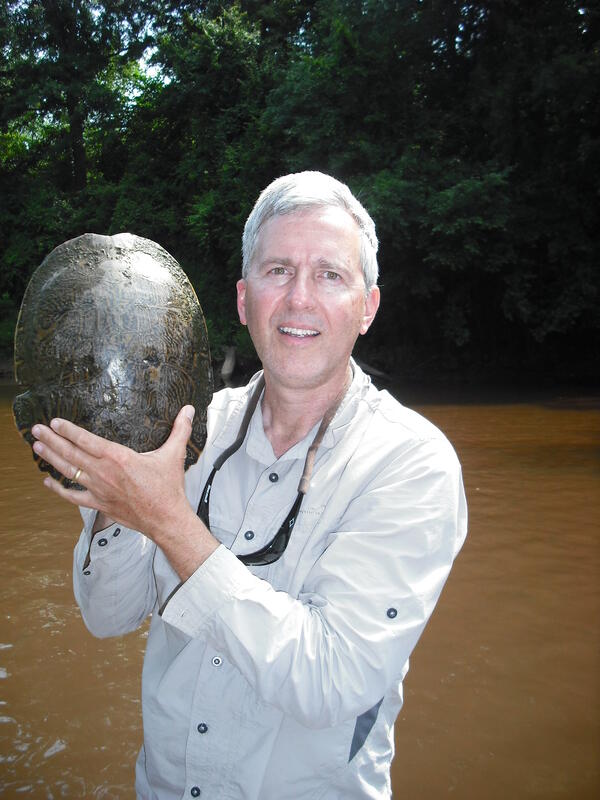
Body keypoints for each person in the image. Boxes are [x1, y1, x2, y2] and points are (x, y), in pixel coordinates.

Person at [31, 171, 467, 799]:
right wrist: (114, 507)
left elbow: (331, 681)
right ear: (243, 300)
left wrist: (166, 518)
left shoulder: (412, 464)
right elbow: (108, 617)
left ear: (368, 307)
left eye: (330, 275)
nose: (298, 299)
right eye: (278, 271)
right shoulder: (183, 428)